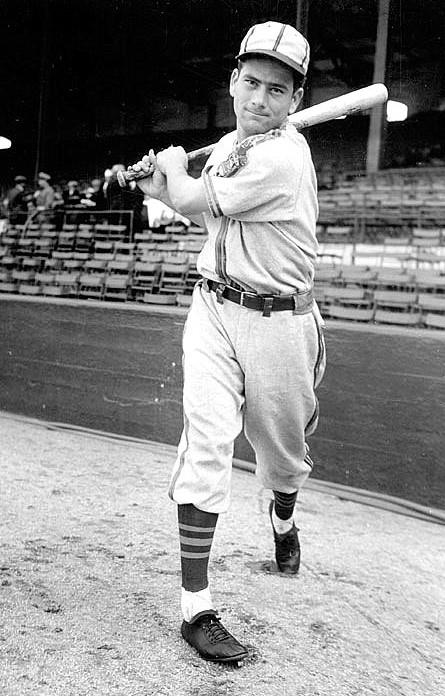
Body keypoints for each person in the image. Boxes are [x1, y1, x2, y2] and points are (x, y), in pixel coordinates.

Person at [131, 20, 326, 664]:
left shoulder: (282, 157)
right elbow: (185, 203)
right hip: (215, 306)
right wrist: (158, 185)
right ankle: (197, 607)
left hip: (282, 322)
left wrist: (171, 174)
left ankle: (283, 514)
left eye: (277, 89)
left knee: (283, 455)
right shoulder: (236, 145)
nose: (259, 99)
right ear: (234, 81)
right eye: (251, 82)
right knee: (207, 441)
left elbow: (194, 195)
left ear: (295, 100)